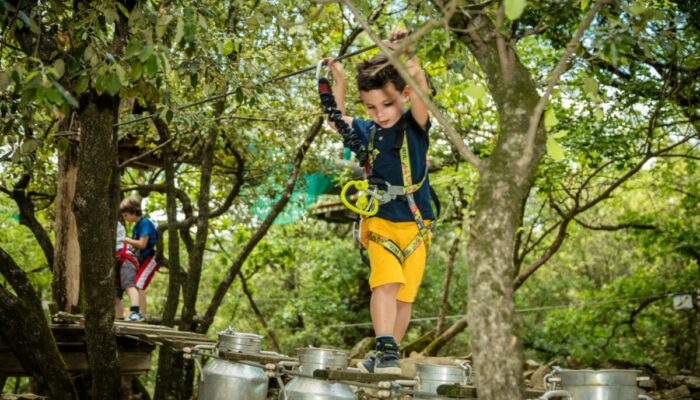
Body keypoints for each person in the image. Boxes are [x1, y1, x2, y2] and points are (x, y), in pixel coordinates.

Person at [325, 28, 433, 375]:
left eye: (387, 104)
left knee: (405, 296)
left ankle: (387, 351)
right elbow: (335, 120)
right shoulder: (367, 130)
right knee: (385, 283)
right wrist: (337, 82)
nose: (380, 113)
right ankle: (385, 348)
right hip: (382, 220)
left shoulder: (415, 124)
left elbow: (419, 85)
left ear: (402, 96)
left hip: (417, 223)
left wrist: (407, 52)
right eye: (371, 107)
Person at [120, 196, 158, 318]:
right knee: (135, 283)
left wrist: (126, 240)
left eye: (126, 215)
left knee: (139, 284)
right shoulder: (136, 226)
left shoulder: (145, 223)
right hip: (142, 259)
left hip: (151, 258)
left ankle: (141, 314)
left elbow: (142, 244)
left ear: (133, 211)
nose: (124, 218)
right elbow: (135, 246)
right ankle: (138, 313)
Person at [114, 220, 144, 321]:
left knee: (129, 285)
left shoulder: (114, 223)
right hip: (117, 260)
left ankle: (136, 312)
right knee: (116, 292)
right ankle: (119, 318)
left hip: (125, 259)